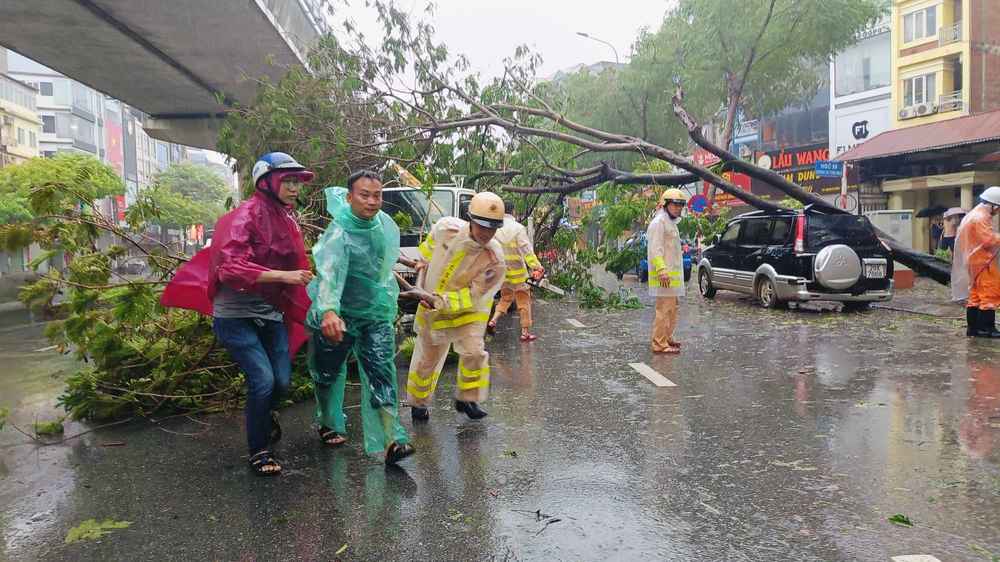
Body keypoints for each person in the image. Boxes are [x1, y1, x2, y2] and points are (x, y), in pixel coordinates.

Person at [161, 152, 315, 476]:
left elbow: (295, 264)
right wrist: (284, 277)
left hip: (270, 312)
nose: (294, 187)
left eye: (297, 182)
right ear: (266, 182)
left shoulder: (287, 220)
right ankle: (258, 451)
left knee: (282, 382)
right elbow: (231, 268)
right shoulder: (242, 217)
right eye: (287, 181)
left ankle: (264, 414)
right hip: (234, 315)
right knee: (263, 380)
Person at [306, 170, 433, 465]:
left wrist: (406, 262)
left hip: (374, 314)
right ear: (350, 197)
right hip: (337, 314)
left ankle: (392, 440)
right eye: (365, 195)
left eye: (377, 195)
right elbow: (329, 274)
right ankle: (328, 421)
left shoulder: (382, 223)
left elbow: (384, 256)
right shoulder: (338, 234)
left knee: (381, 371)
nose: (372, 201)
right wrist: (329, 311)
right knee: (326, 374)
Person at [406, 192, 507, 422]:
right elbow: (429, 247)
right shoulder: (446, 229)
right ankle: (418, 403)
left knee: (474, 353)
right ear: (470, 219)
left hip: (467, 313)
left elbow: (475, 295)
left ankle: (468, 399)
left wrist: (440, 301)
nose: (486, 233)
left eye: (492, 228)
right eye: (482, 226)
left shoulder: (495, 259)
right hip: (432, 309)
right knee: (426, 360)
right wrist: (422, 260)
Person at [952, 186, 1000, 338]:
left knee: (975, 296)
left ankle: (973, 329)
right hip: (983, 261)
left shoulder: (974, 214)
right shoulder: (981, 217)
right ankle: (988, 329)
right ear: (994, 205)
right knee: (989, 293)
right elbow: (988, 240)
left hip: (973, 261)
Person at [487, 214, 545, 342]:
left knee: (505, 298)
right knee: (523, 300)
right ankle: (525, 333)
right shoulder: (518, 228)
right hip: (519, 273)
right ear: (512, 212)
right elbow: (526, 250)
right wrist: (537, 267)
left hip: (504, 272)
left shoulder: (496, 228)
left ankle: (493, 320)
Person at [647, 188, 688, 354]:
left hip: (671, 276)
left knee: (672, 308)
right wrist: (662, 270)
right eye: (675, 204)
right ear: (665, 204)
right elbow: (655, 249)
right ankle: (659, 343)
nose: (678, 208)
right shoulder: (659, 223)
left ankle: (667, 337)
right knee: (664, 309)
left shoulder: (670, 223)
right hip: (664, 275)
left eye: (681, 205)